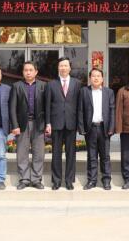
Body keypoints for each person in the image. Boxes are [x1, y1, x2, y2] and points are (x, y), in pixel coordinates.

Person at [45, 57, 82, 190]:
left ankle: (69, 180)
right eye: (61, 66)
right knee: (56, 153)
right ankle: (56, 180)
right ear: (58, 68)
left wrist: (79, 123)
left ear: (70, 68)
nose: (63, 68)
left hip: (71, 123)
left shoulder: (77, 83)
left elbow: (79, 105)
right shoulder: (51, 84)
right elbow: (47, 105)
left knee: (71, 154)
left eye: (66, 66)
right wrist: (48, 123)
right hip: (56, 123)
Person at [9, 61, 47, 190]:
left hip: (39, 124)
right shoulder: (16, 86)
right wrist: (14, 125)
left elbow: (47, 107)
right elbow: (12, 108)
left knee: (39, 153)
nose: (28, 72)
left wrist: (48, 124)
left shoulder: (43, 86)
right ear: (23, 72)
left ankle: (36, 179)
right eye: (26, 70)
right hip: (22, 125)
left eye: (31, 70)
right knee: (22, 153)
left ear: (36, 72)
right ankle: (24, 179)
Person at [77, 68, 115, 190]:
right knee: (91, 156)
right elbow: (80, 110)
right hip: (90, 128)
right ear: (90, 78)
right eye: (93, 76)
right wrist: (82, 128)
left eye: (98, 76)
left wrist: (111, 128)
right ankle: (92, 180)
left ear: (102, 78)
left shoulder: (109, 92)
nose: (96, 78)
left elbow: (112, 111)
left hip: (104, 128)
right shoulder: (84, 91)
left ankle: (106, 180)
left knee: (105, 156)